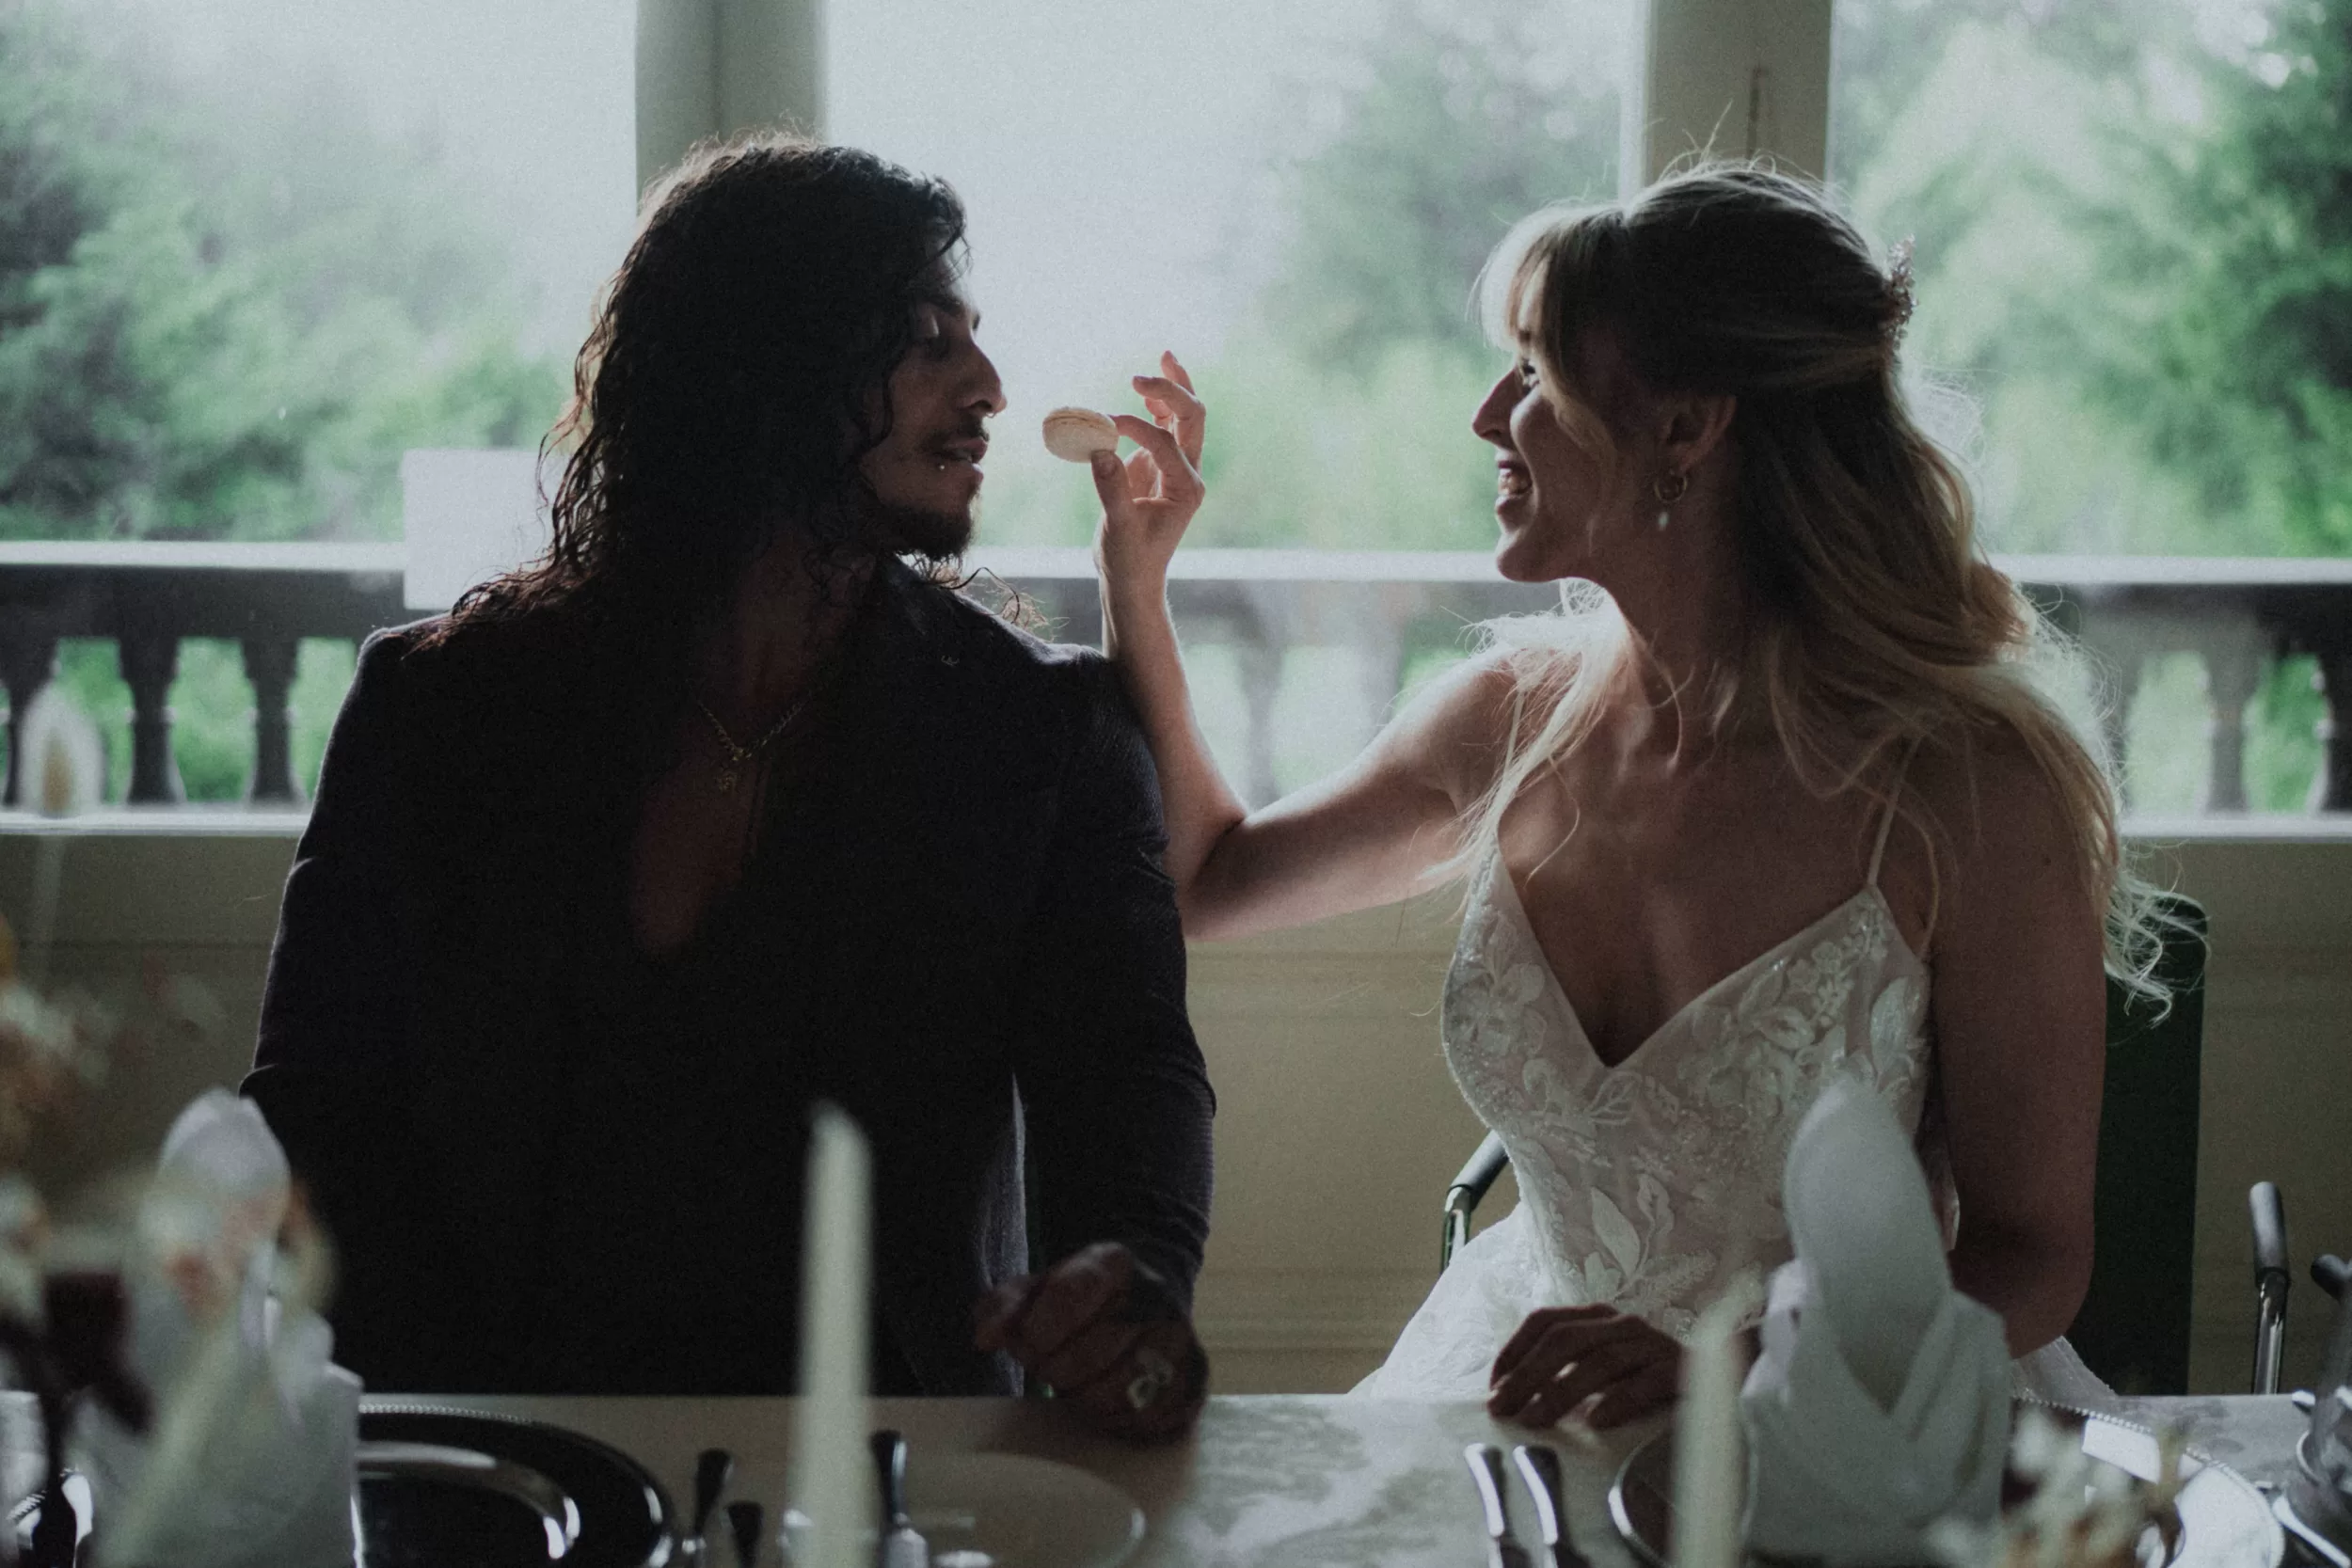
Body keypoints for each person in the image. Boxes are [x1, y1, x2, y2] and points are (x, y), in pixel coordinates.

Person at [1089, 163, 2153, 1427]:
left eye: (1534, 377)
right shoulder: (1508, 723)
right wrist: (1136, 586)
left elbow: (2034, 1254)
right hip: (1542, 1401)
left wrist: (1750, 1363)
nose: (1491, 416)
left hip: (1856, 1427)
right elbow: (1207, 882)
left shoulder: (1968, 794)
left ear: (1687, 427)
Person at [243, 134, 1213, 1437]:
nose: (988, 384)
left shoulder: (1041, 735)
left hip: (883, 1463)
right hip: (495, 1457)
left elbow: (1130, 1074)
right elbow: (318, 1101)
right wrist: (421, 1424)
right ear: (764, 360)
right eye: (928, 336)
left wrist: (1133, 1278)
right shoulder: (441, 711)